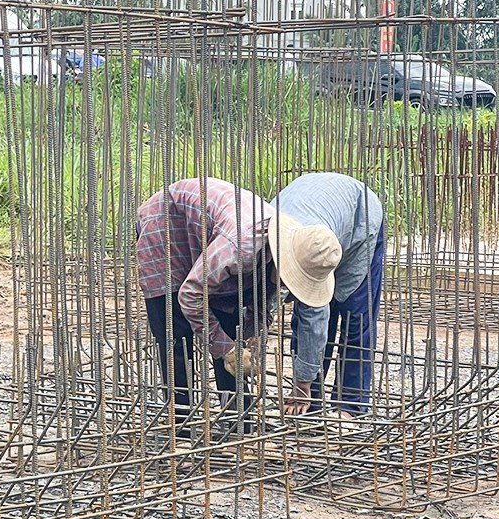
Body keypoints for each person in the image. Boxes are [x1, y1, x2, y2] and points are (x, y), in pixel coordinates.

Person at [135, 178, 280, 424]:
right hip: (165, 225)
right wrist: (228, 349)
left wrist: (249, 341)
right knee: (175, 331)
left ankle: (236, 417)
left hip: (207, 234)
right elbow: (191, 293)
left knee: (228, 325)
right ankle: (181, 419)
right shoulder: (241, 248)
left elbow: (260, 305)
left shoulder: (280, 246)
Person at [268, 172, 384, 418]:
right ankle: (313, 401)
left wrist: (301, 383)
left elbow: (314, 315)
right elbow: (257, 300)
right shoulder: (266, 237)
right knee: (307, 314)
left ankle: (350, 405)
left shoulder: (311, 249)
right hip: (319, 209)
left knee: (355, 316)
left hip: (359, 220)